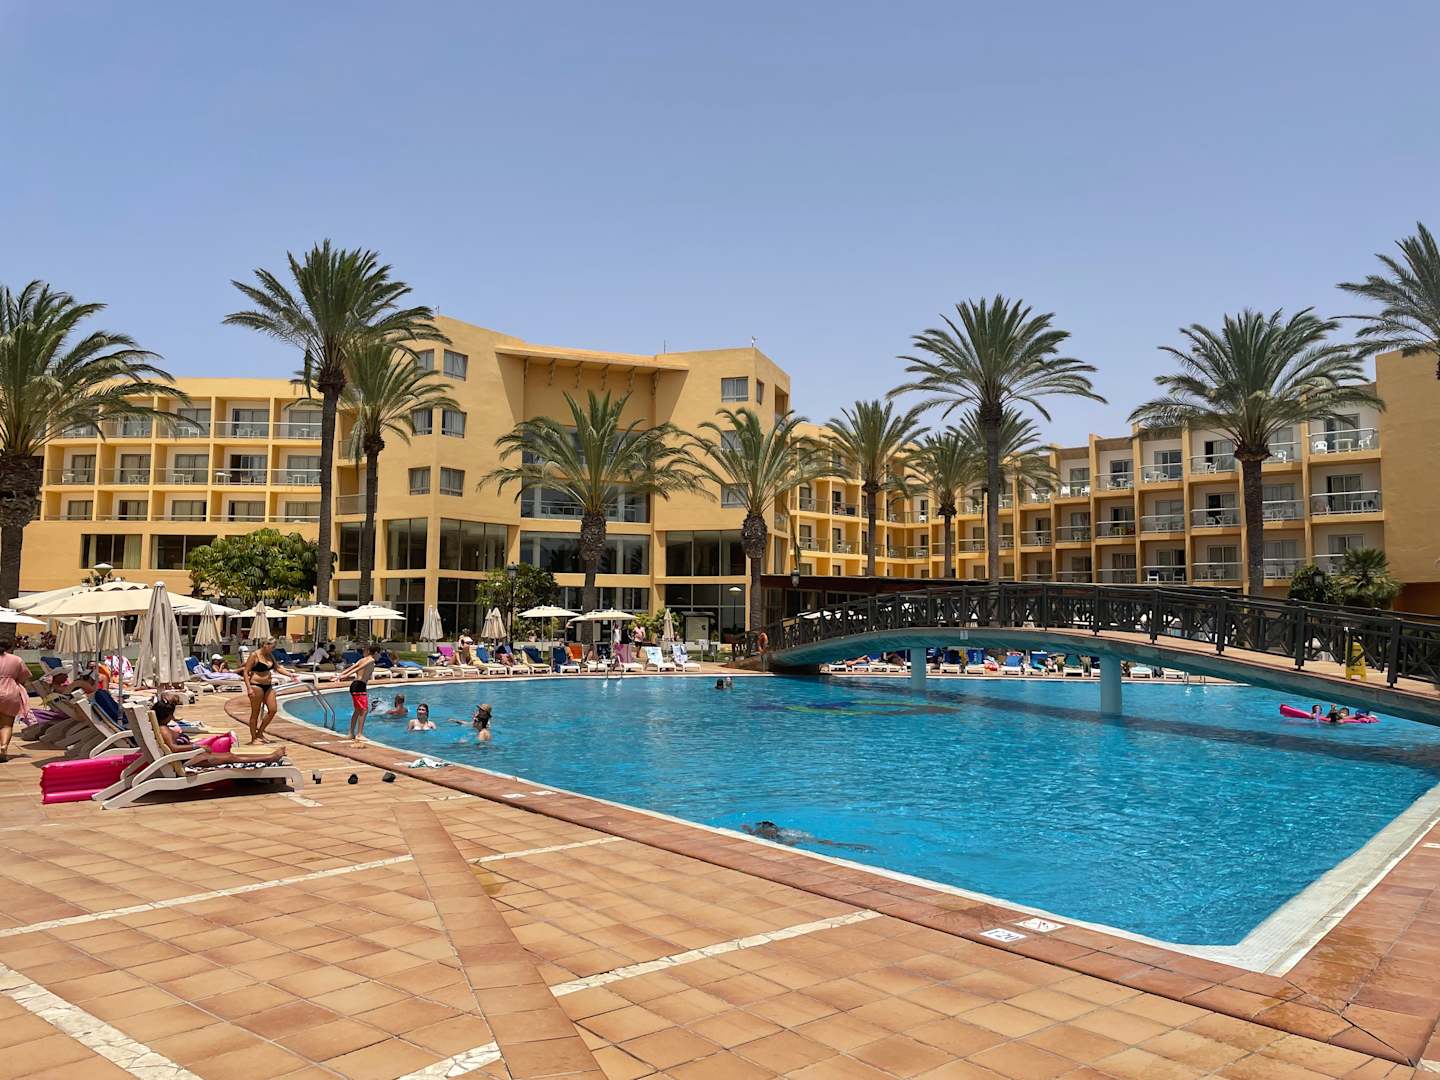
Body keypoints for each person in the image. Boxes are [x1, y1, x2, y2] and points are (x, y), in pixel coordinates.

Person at [152, 699, 287, 766]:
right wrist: (196, 746)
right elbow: (174, 748)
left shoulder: (162, 727)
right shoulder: (164, 729)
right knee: (231, 757)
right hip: (187, 760)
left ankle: (268, 756)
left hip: (190, 757)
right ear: (167, 715)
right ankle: (269, 757)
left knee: (230, 755)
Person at [241, 638, 294, 745]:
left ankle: (260, 733)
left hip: (268, 686)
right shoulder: (254, 655)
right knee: (255, 713)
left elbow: (277, 668)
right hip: (256, 686)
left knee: (273, 710)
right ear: (265, 644)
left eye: (274, 647)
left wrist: (290, 675)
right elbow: (246, 672)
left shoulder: (270, 655)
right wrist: (249, 688)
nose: (273, 649)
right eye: (272, 646)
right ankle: (253, 738)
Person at [0, 639, 36, 762]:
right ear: (9, 647)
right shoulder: (17, 660)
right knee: (6, 724)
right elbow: (24, 677)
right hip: (10, 693)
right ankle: (3, 747)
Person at [336, 645, 379, 743]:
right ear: (375, 652)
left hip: (356, 685)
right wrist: (344, 676)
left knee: (357, 711)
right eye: (379, 654)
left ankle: (351, 733)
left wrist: (341, 675)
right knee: (364, 710)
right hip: (359, 686)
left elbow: (353, 667)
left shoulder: (362, 659)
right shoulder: (371, 660)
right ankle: (359, 734)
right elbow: (358, 668)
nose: (379, 656)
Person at [741, 820, 872, 852]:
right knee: (819, 842)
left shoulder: (761, 830)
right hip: (795, 835)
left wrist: (747, 828)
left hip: (786, 838)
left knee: (789, 845)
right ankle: (849, 845)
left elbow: (753, 835)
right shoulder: (782, 829)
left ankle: (841, 845)